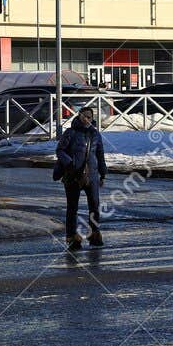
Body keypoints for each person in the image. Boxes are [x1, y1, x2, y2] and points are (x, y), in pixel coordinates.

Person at [54, 106, 107, 250]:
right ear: (79, 116)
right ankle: (72, 237)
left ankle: (94, 234)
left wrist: (103, 173)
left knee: (94, 206)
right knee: (72, 208)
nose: (87, 119)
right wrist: (69, 163)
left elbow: (100, 155)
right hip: (73, 175)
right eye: (84, 116)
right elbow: (60, 150)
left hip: (92, 175)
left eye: (89, 117)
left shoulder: (95, 134)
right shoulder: (70, 132)